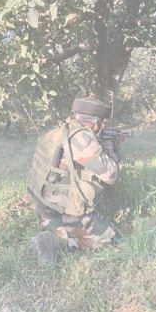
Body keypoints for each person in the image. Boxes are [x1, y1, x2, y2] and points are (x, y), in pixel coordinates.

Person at [27, 97, 120, 264]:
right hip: (64, 210)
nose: (101, 127)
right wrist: (109, 147)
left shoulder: (60, 130)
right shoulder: (82, 138)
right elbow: (111, 176)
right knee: (111, 239)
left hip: (45, 208)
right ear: (96, 123)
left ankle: (58, 230)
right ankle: (55, 241)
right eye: (101, 124)